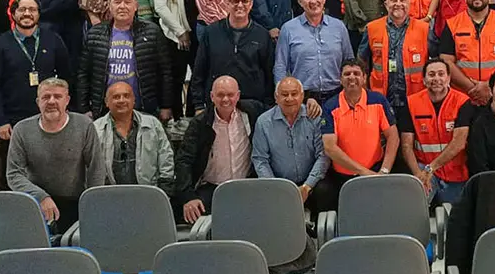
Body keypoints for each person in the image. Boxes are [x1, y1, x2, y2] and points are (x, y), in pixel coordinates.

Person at [0, 0, 73, 180]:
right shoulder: (0, 44)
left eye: (32, 9)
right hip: (12, 122)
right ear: (13, 14)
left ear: (39, 14)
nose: (27, 13)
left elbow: (67, 78)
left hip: (48, 119)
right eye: (22, 9)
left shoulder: (53, 40)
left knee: (48, 174)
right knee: (13, 176)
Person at [5, 77, 106, 232]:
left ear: (67, 101)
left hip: (75, 202)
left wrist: (92, 206)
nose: (51, 101)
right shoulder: (21, 130)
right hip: (35, 202)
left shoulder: (84, 125)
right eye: (46, 97)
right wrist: (41, 197)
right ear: (38, 102)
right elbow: (13, 174)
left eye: (58, 97)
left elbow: (96, 168)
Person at [175, 76, 264, 223]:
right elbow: (183, 160)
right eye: (220, 95)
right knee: (189, 213)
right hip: (212, 188)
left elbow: (281, 109)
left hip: (247, 186)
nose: (225, 100)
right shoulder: (199, 124)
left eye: (230, 95)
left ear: (238, 95)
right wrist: (188, 197)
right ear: (212, 97)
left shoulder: (252, 113)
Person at [77, 0, 172, 120]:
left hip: (144, 109)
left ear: (136, 6)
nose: (122, 6)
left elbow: (165, 72)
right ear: (109, 6)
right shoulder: (95, 34)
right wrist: (84, 108)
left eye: (127, 2)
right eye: (117, 2)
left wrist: (166, 105)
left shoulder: (152, 32)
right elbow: (83, 74)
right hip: (104, 110)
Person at [318, 59, 400, 205]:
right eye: (347, 74)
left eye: (356, 73)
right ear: (340, 79)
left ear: (364, 78)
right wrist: (363, 172)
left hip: (376, 172)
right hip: (342, 177)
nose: (351, 77)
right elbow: (330, 148)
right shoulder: (330, 107)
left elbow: (393, 137)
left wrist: (384, 171)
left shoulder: (378, 101)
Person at [252, 77, 334, 218]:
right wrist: (275, 187)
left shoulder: (314, 116)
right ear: (276, 97)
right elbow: (260, 160)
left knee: (325, 190)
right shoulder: (263, 122)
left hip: (311, 183)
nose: (289, 99)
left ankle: (321, 233)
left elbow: (323, 155)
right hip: (279, 182)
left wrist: (307, 186)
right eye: (284, 94)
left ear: (302, 96)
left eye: (294, 94)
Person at [190, 0, 276, 113]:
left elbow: (269, 73)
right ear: (227, 3)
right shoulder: (211, 33)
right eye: (235, 1)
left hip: (253, 106)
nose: (240, 5)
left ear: (251, 4)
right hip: (218, 105)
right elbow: (199, 70)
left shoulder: (262, 35)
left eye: (244, 1)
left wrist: (268, 105)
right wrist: (198, 105)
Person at [398, 58, 471, 204]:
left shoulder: (463, 102)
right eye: (431, 75)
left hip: (454, 171)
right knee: (414, 207)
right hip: (422, 167)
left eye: (441, 74)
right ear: (424, 80)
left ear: (448, 78)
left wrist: (431, 168)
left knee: (455, 216)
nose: (436, 78)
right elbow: (406, 146)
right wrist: (419, 175)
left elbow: (459, 143)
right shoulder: (411, 103)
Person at [275, 0, 354, 103]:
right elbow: (280, 66)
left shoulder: (339, 27)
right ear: (300, 2)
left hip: (336, 96)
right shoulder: (288, 29)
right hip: (301, 98)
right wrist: (281, 97)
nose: (313, 1)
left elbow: (349, 61)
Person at [359, 0, 430, 112]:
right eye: (394, 0)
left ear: (409, 3)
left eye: (402, 0)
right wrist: (365, 93)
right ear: (386, 5)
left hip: (415, 99)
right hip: (381, 99)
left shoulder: (424, 29)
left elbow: (435, 63)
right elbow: (361, 62)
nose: (398, 4)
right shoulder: (371, 29)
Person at [92, 82, 174, 190]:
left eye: (126, 96)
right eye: (116, 97)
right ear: (107, 102)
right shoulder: (95, 129)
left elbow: (166, 158)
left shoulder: (153, 124)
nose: (122, 100)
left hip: (148, 194)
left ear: (134, 100)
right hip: (108, 195)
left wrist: (164, 190)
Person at [154, 0, 197, 116]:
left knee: (197, 78)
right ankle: (177, 119)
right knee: (176, 79)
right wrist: (180, 31)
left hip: (197, 33)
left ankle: (192, 116)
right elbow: (160, 7)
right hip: (175, 36)